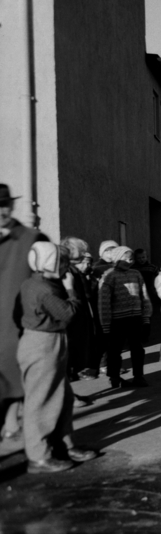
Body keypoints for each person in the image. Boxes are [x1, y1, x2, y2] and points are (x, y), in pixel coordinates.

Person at [15, 241, 98, 473]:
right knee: (41, 401)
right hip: (42, 343)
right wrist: (71, 290)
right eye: (62, 262)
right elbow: (68, 313)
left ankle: (63, 444)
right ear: (49, 263)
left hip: (50, 340)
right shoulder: (42, 288)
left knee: (62, 397)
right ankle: (38, 456)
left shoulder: (42, 283)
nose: (66, 266)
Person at [1, 183, 42, 441]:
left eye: (5, 204)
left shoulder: (30, 238)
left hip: (15, 322)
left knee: (16, 375)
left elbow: (44, 279)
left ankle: (13, 425)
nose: (1, 210)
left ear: (12, 205)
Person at [98, 245, 152, 390]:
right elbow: (104, 302)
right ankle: (114, 377)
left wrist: (146, 317)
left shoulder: (136, 274)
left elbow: (144, 296)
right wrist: (106, 324)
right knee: (115, 350)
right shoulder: (110, 276)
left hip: (135, 318)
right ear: (116, 259)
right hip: (117, 320)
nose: (130, 260)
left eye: (131, 258)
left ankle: (139, 376)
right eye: (126, 258)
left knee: (137, 349)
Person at [59, 238, 100, 380]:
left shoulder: (75, 270)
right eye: (81, 250)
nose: (85, 253)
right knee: (69, 351)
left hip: (79, 315)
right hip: (70, 317)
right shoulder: (65, 270)